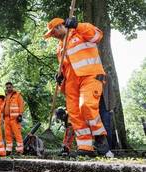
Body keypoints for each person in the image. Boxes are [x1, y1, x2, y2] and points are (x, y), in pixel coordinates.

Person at [44, 17, 111, 157]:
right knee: (74, 115)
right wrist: (60, 77)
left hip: (90, 76)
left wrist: (77, 25)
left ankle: (100, 137)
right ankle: (85, 147)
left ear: (58, 27)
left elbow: (97, 35)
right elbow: (65, 67)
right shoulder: (60, 48)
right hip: (71, 84)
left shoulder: (80, 31)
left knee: (86, 105)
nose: (53, 36)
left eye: (52, 33)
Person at [3, 82, 25, 155]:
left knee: (17, 134)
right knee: (7, 135)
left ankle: (20, 150)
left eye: (10, 87)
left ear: (12, 87)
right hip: (6, 118)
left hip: (15, 119)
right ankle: (8, 150)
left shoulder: (17, 95)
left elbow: (21, 105)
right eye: (7, 87)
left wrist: (20, 115)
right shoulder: (5, 96)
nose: (8, 88)